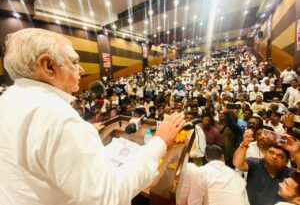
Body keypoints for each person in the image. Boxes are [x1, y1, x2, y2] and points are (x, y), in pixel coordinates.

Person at [0, 28, 186, 205]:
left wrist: (83, 131)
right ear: (48, 66)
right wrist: (160, 140)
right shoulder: (59, 118)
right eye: (74, 62)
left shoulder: (7, 99)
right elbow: (108, 196)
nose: (81, 70)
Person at [233, 130, 294, 205]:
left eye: (280, 156)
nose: (274, 156)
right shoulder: (256, 163)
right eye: (271, 152)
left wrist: (296, 151)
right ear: (265, 154)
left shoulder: (290, 173)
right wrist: (244, 145)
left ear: (287, 161)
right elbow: (238, 163)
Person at [178, 145, 249, 205]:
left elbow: (193, 202)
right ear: (222, 157)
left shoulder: (198, 173)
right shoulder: (236, 175)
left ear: (206, 158)